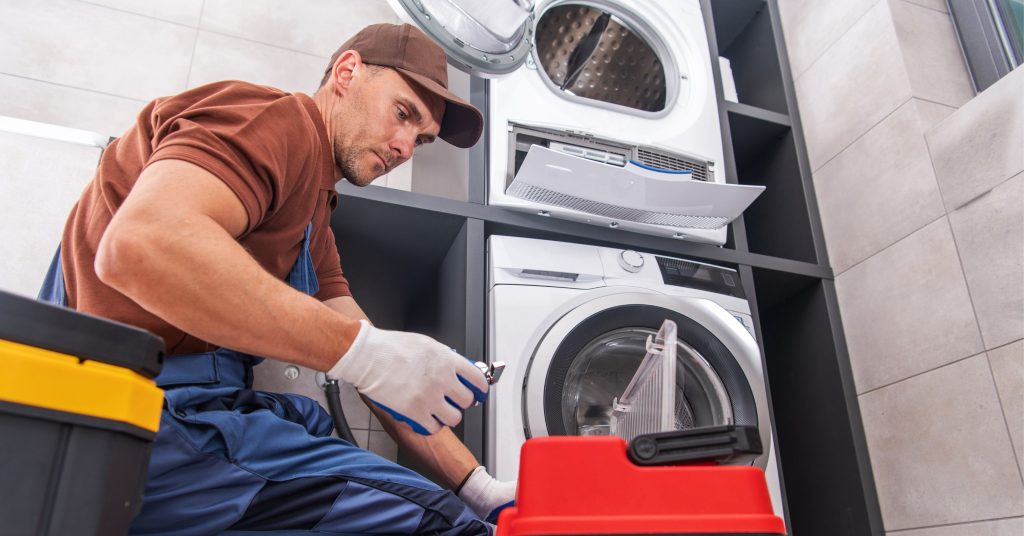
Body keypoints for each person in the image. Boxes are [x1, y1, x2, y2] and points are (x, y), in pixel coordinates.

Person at [38, 23, 515, 535]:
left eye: (420, 140)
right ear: (347, 72)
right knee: (438, 523)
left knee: (323, 434)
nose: (405, 148)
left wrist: (479, 487)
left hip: (189, 416)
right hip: (121, 414)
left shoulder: (315, 216)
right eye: (403, 114)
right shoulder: (274, 118)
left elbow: (373, 360)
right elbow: (141, 246)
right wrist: (368, 355)